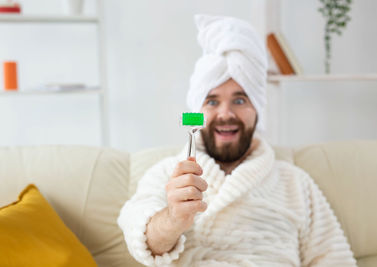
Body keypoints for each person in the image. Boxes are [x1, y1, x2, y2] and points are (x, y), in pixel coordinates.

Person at [118, 14, 357, 267]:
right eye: (212, 101)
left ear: (257, 110)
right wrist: (173, 218)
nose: (225, 114)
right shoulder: (167, 174)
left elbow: (333, 258)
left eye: (240, 100)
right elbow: (141, 236)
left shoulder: (296, 183)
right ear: (196, 113)